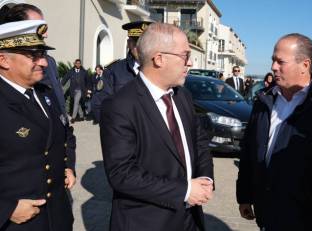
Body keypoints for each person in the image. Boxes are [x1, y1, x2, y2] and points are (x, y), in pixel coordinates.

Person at [100, 23, 214, 231]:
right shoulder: (120, 106)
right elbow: (122, 174)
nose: (190, 63)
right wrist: (185, 191)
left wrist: (205, 178)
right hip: (147, 221)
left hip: (190, 219)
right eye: (185, 56)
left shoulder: (183, 97)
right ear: (159, 59)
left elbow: (199, 142)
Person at [236, 33, 312, 230]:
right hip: (267, 216)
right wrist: (244, 195)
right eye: (273, 60)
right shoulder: (264, 101)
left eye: (280, 62)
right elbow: (249, 151)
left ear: (305, 65)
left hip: (307, 222)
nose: (273, 67)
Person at [0, 20, 76, 231]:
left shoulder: (45, 93)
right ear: (4, 60)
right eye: (33, 56)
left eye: (42, 54)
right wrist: (6, 210)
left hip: (58, 218)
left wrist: (68, 164)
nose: (43, 62)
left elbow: (64, 135)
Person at [3, 3, 67, 116]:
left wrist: (63, 117)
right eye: (37, 25)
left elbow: (55, 91)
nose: (45, 33)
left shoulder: (49, 61)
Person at [91, 20, 153, 123]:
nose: (141, 48)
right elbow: (99, 105)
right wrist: (114, 133)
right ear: (129, 44)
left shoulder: (161, 69)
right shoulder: (114, 71)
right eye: (137, 43)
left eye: (145, 43)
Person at [62, 59, 89, 123]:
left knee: (76, 102)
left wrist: (88, 89)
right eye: (77, 63)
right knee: (77, 103)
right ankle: (82, 115)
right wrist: (61, 84)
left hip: (80, 90)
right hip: (73, 90)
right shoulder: (71, 71)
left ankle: (73, 118)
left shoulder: (84, 72)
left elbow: (88, 81)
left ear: (80, 64)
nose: (78, 64)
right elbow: (65, 78)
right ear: (75, 64)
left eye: (79, 63)